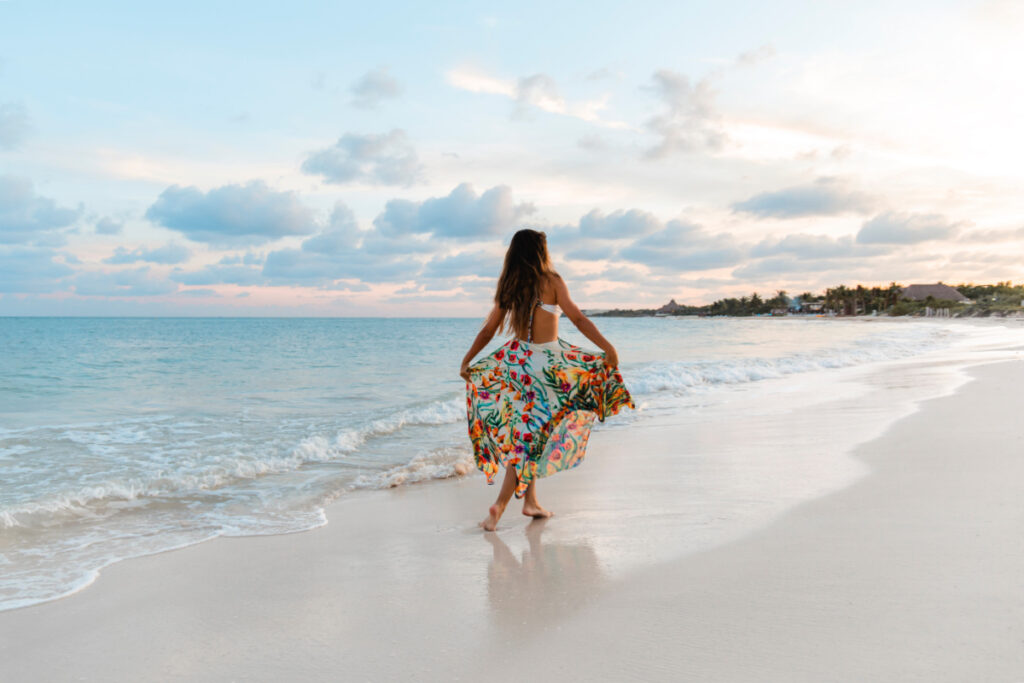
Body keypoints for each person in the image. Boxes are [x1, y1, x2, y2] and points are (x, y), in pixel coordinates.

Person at [460, 228, 634, 531]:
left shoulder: (509, 284)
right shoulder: (552, 281)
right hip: (547, 371)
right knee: (529, 437)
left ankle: (531, 502)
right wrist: (608, 348)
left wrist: (467, 360)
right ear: (541, 252)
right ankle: (499, 507)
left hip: (516, 365)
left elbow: (488, 330)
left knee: (530, 432)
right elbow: (578, 319)